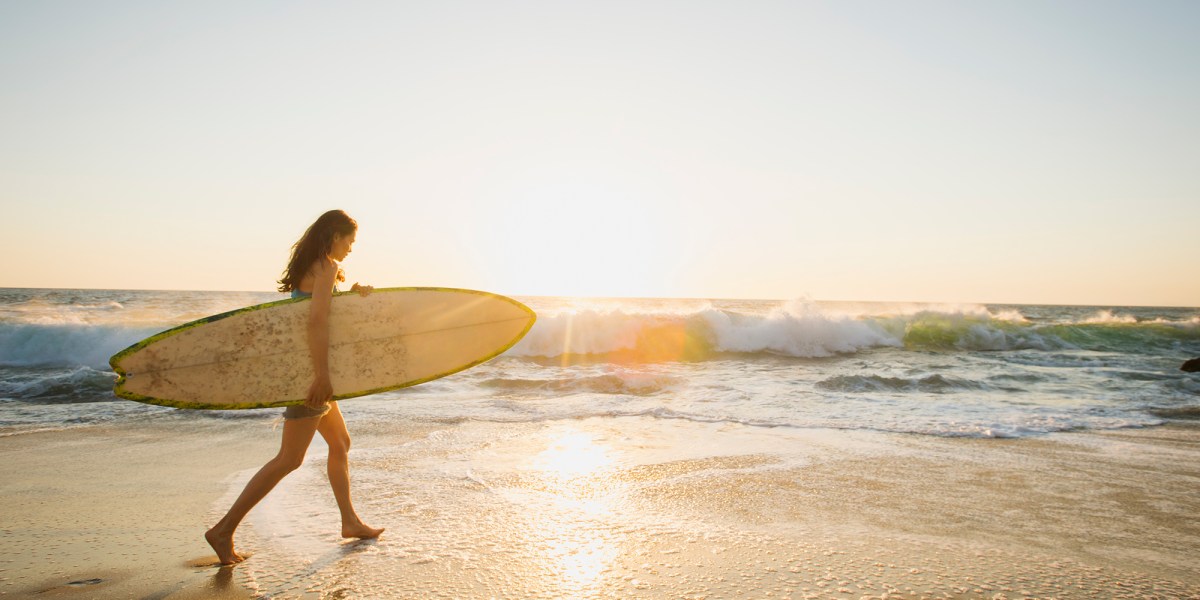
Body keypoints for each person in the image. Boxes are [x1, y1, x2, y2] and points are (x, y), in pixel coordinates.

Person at [205, 209, 383, 565]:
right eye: (350, 240)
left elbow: (320, 311)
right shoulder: (327, 267)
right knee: (289, 459)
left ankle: (349, 521)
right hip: (310, 375)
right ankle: (223, 530)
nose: (351, 247)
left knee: (340, 443)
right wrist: (321, 376)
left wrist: (353, 296)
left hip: (305, 369)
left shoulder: (316, 267)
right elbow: (316, 323)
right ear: (335, 235)